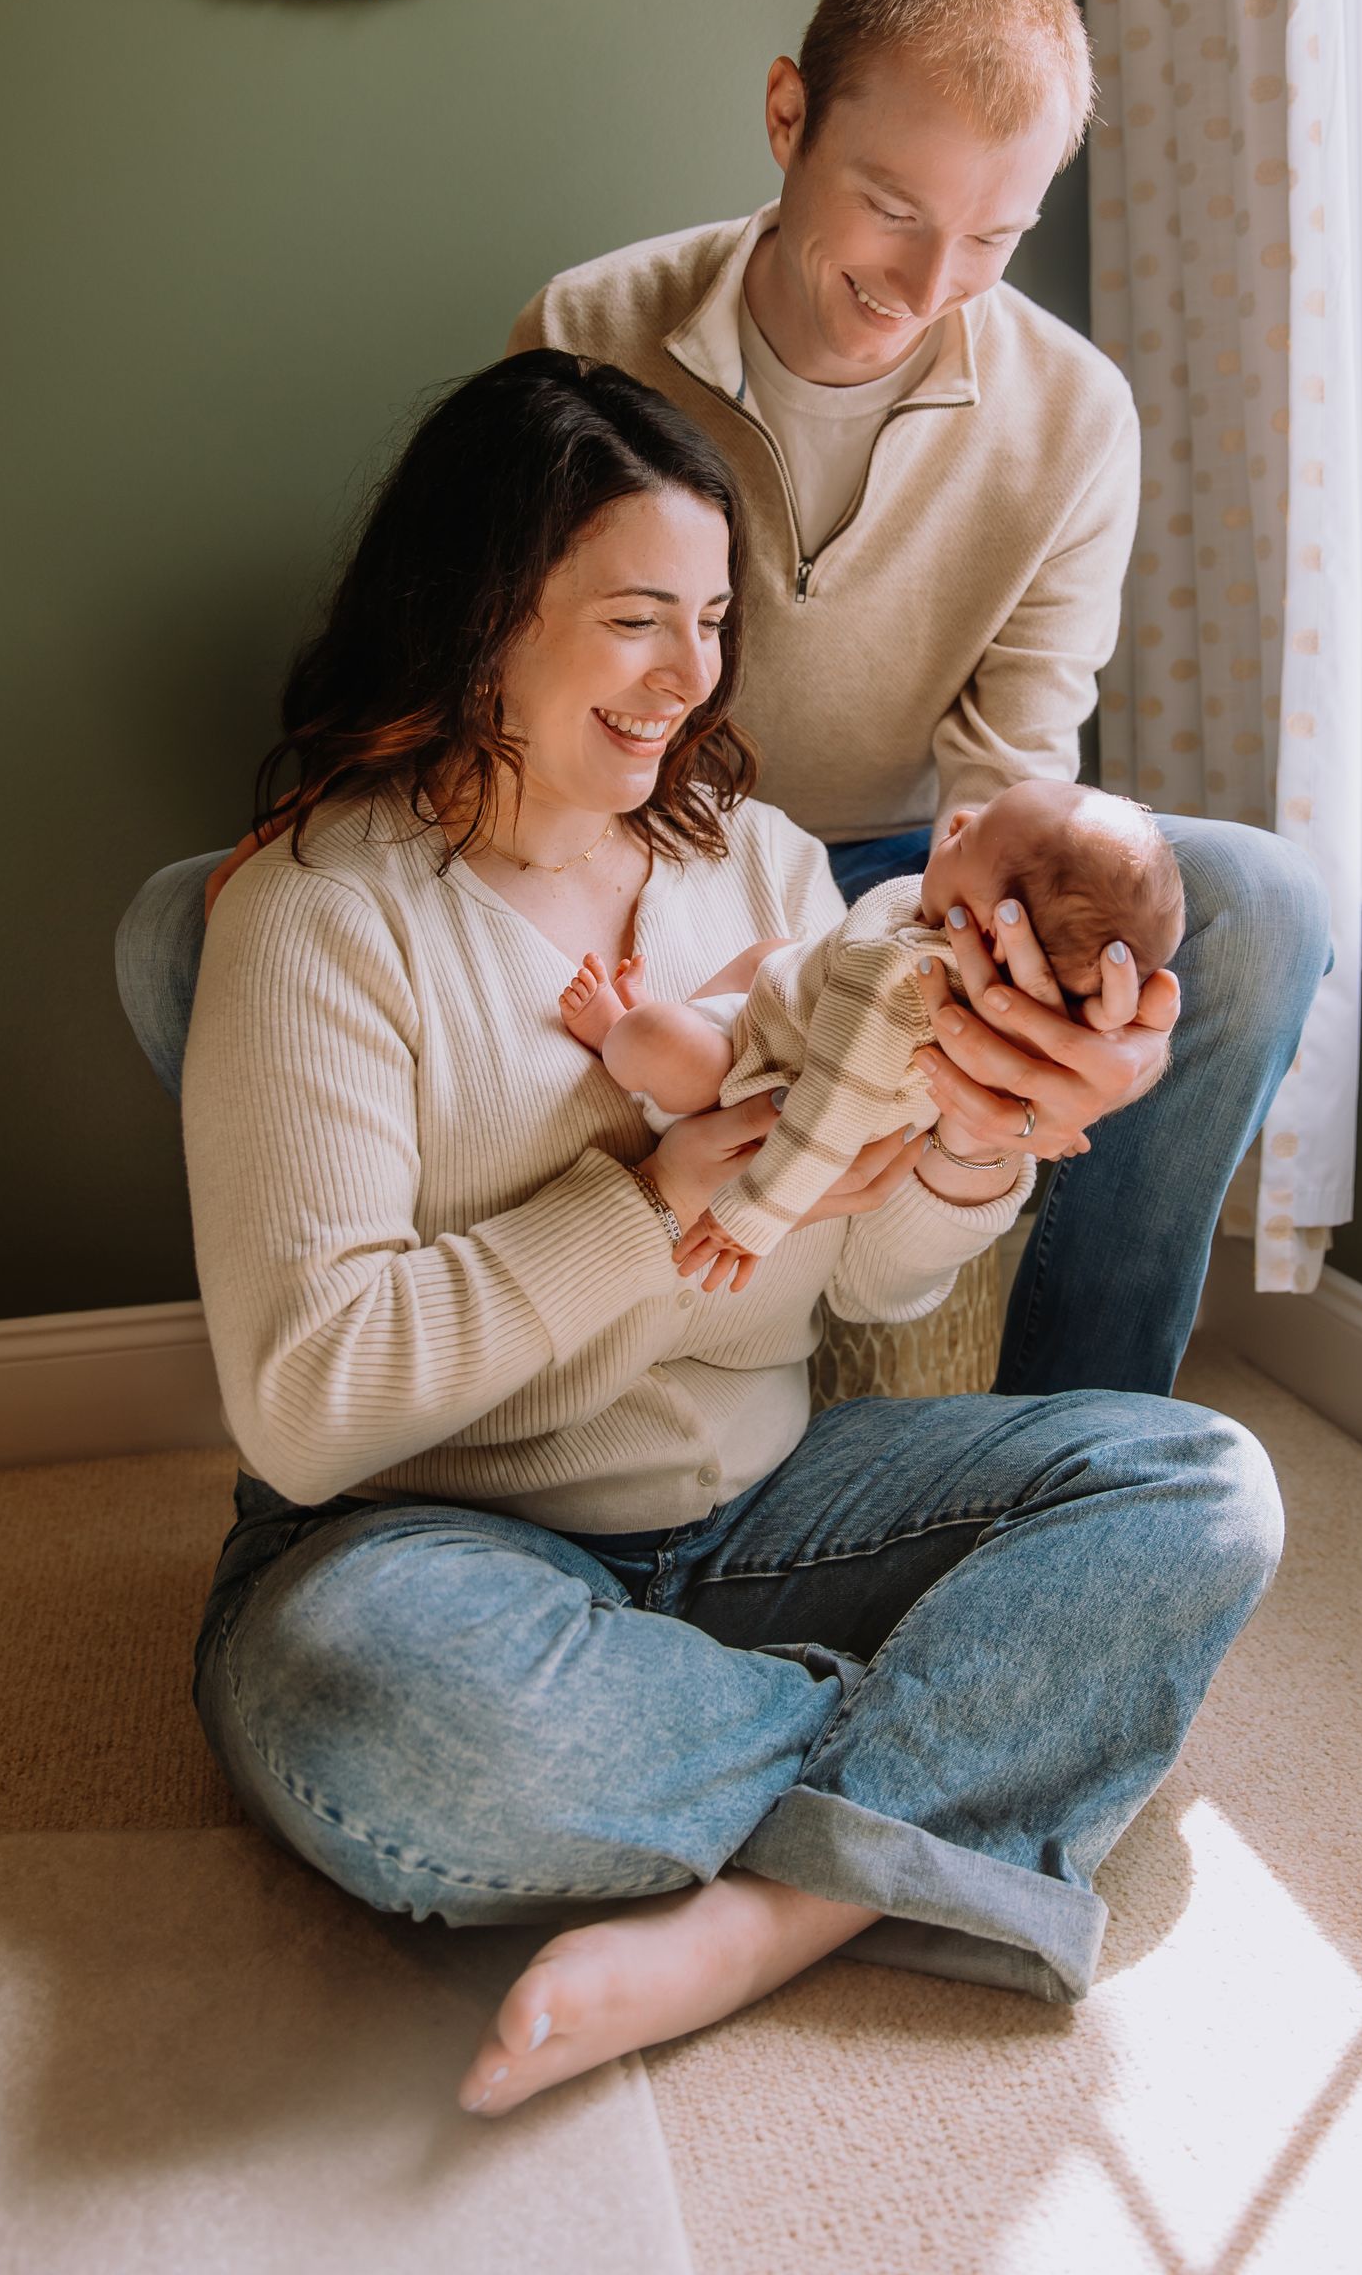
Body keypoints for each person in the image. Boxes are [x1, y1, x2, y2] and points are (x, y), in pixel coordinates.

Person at [182, 353, 1283, 2115]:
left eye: (710, 618)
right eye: (637, 619)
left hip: (765, 1503)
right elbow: (312, 1409)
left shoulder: (765, 874)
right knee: (380, 1722)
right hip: (429, 1547)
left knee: (1201, 1488)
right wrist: (650, 1198)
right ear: (479, 619)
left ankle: (766, 1911)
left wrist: (976, 1147)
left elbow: (871, 1285)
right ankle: (940, 1775)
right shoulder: (321, 917)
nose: (691, 674)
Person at [116, 0, 1330, 1397]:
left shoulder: (1077, 415)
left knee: (1260, 903)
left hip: (898, 873)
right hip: (640, 851)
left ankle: (1057, 1430)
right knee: (188, 923)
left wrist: (1023, 1018)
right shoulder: (589, 325)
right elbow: (500, 640)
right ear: (787, 115)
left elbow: (1012, 774)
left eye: (996, 238)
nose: (929, 280)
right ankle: (437, 1387)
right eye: (892, 204)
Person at [560, 780, 1185, 1293]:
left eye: (970, 839)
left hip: (758, 1091)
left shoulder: (894, 991)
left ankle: (618, 1029)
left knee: (660, 1040)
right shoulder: (948, 928)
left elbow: (827, 1112)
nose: (959, 816)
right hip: (783, 1019)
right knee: (775, 953)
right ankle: (689, 1015)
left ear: (997, 933)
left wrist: (751, 1215)